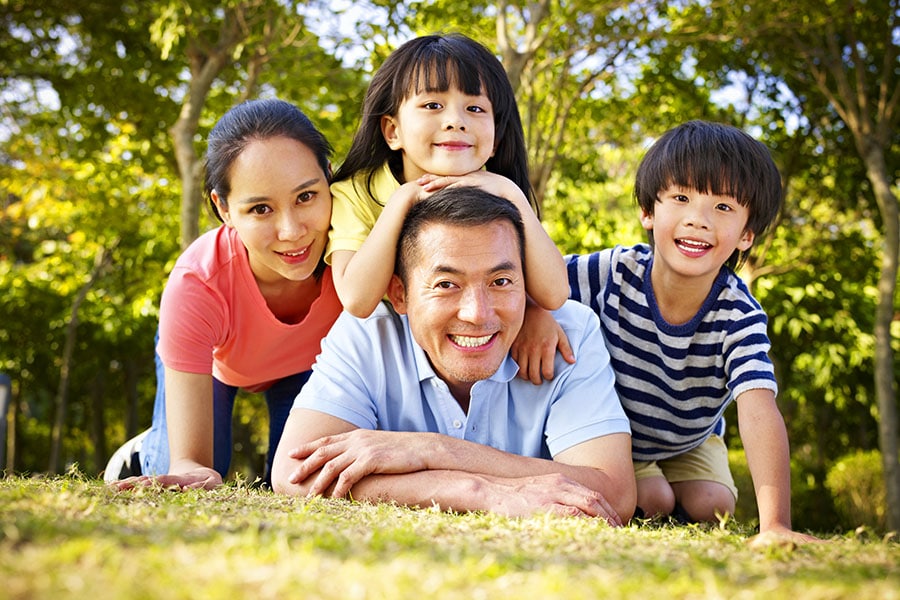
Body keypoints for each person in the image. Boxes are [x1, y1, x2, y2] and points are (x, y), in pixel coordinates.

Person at [271, 186, 636, 524]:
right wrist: (478, 492)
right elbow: (294, 474)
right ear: (399, 294)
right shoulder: (366, 336)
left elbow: (615, 493)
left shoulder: (568, 334)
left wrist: (434, 451)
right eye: (446, 285)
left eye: (501, 282)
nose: (477, 313)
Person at [563, 120, 818, 542]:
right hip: (618, 436)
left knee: (712, 506)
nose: (698, 220)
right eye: (681, 198)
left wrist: (775, 525)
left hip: (690, 439)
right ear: (648, 212)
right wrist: (538, 313)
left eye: (723, 208)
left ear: (746, 234)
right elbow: (537, 283)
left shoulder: (738, 314)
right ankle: (652, 485)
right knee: (653, 500)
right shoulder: (613, 272)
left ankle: (684, 486)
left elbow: (757, 407)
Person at [104, 98, 343, 490]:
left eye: (306, 196)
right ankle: (146, 448)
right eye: (261, 209)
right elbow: (191, 463)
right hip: (216, 365)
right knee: (197, 470)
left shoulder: (356, 255)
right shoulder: (198, 282)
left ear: (329, 177)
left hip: (307, 367)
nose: (292, 231)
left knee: (302, 478)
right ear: (224, 208)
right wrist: (188, 464)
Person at [327, 34, 570, 384]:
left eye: (475, 108)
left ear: (494, 141)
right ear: (392, 130)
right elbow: (356, 298)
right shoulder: (356, 192)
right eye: (432, 106)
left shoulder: (499, 192)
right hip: (386, 360)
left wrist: (512, 194)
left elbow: (554, 293)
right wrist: (404, 199)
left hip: (473, 351)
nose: (456, 121)